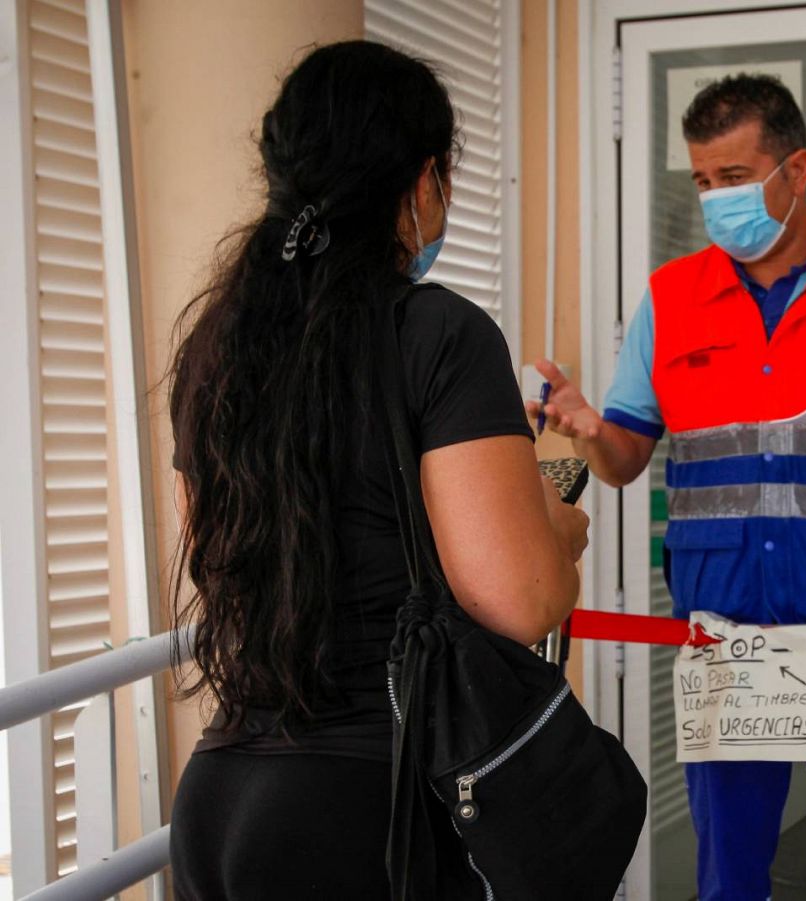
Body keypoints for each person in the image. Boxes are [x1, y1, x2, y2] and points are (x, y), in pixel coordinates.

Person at [165, 41, 590, 898]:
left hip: (220, 798)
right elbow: (519, 598)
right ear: (425, 181)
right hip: (373, 805)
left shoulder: (218, 345)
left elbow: (218, 557)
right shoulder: (436, 333)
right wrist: (555, 516)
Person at [534, 74, 806, 900]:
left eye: (733, 178)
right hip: (729, 634)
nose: (715, 199)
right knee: (730, 869)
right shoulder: (670, 300)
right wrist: (591, 430)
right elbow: (627, 459)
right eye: (702, 181)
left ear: (796, 171)